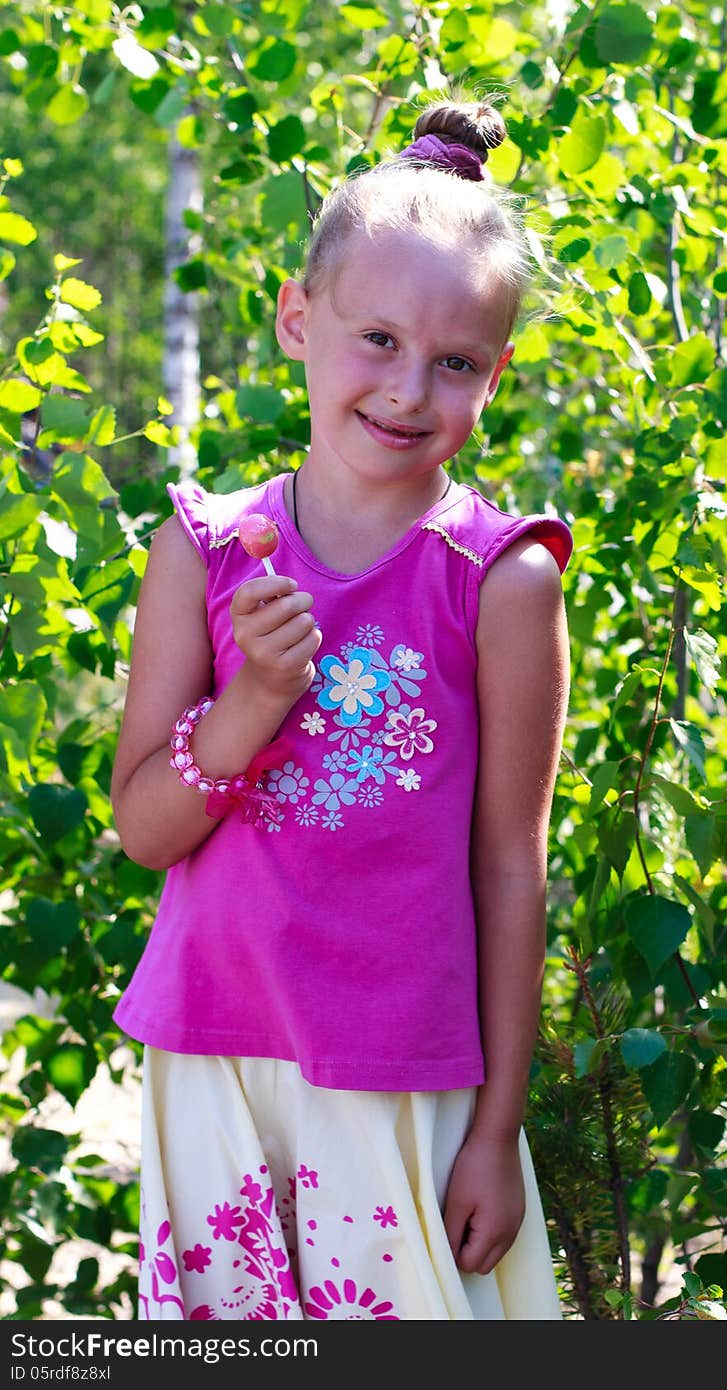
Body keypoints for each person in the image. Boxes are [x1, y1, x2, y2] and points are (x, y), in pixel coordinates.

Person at [110, 97, 572, 1322]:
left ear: (496, 373)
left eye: (456, 362)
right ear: (296, 320)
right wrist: (251, 700)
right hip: (214, 1067)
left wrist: (495, 1129)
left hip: (406, 1089)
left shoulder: (501, 577)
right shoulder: (204, 551)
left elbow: (510, 872)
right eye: (375, 338)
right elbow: (146, 831)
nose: (410, 389)